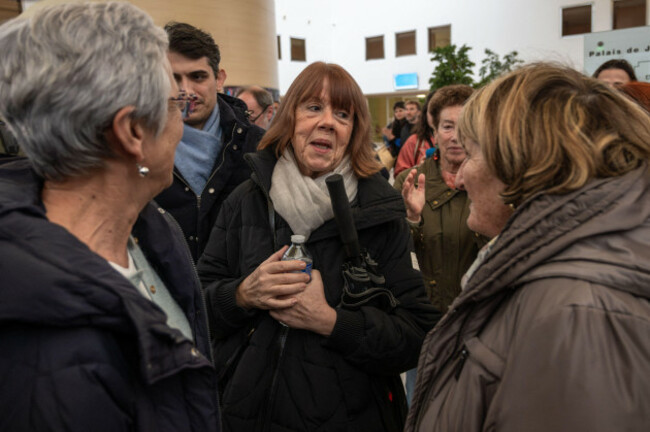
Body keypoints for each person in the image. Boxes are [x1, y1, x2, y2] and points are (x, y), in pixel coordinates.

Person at [0, 3, 219, 431]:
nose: (181, 126)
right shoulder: (44, 347)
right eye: (174, 105)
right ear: (133, 132)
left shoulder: (152, 229)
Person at [406, 63, 650, 431]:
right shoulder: (557, 288)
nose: (461, 178)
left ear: (520, 166)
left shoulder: (577, 315)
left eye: (472, 153)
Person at [198, 61, 440, 432]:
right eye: (313, 108)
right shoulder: (246, 200)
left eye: (342, 113)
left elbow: (416, 335)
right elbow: (199, 305)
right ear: (289, 118)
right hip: (245, 414)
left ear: (353, 130)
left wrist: (332, 322)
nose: (327, 121)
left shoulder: (380, 212)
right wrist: (244, 293)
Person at [394, 85, 483, 404]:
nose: (456, 136)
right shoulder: (410, 180)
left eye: (464, 127)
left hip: (476, 327)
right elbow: (395, 255)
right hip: (424, 325)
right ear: (433, 128)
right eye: (448, 126)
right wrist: (412, 220)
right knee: (420, 406)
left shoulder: (492, 180)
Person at [155, 22, 264, 262]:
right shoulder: (138, 147)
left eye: (198, 76)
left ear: (219, 78)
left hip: (239, 294)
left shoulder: (259, 146)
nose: (186, 90)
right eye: (173, 78)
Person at [394, 91, 436, 176]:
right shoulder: (413, 139)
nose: (408, 112)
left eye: (411, 109)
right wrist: (419, 169)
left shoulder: (463, 140)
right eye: (407, 109)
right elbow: (400, 175)